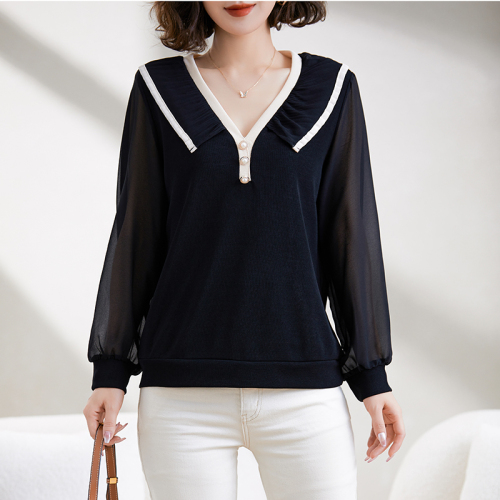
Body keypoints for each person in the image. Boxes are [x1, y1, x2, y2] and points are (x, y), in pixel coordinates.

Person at [83, 1, 406, 498]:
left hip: (305, 392)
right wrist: (110, 373)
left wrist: (372, 375)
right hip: (181, 397)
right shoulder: (157, 89)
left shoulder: (333, 88)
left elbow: (350, 234)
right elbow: (136, 235)